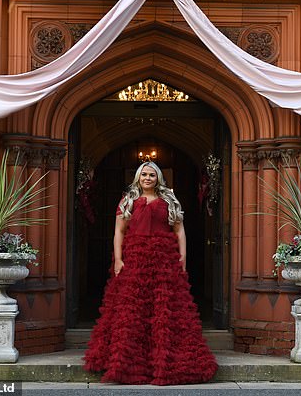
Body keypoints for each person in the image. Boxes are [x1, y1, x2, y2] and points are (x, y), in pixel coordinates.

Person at [83, 162, 218, 385]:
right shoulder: (128, 200)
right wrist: (118, 259)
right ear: (138, 177)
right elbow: (119, 231)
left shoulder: (169, 201)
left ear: (158, 178)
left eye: (151, 175)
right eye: (144, 174)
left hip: (164, 260)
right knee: (133, 310)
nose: (147, 178)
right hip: (134, 259)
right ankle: (131, 363)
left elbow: (179, 230)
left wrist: (182, 258)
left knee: (164, 310)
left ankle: (164, 361)